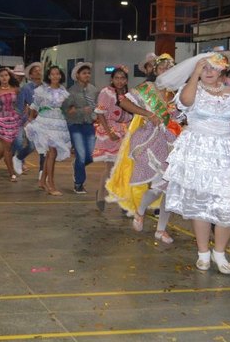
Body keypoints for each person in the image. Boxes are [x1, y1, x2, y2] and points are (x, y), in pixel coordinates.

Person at [161, 53, 230, 274]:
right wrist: (194, 75)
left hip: (224, 152)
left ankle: (219, 252)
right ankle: (203, 252)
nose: (209, 72)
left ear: (222, 70)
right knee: (200, 203)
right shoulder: (191, 89)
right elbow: (185, 102)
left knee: (228, 202)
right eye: (204, 67)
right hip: (197, 150)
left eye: (213, 68)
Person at [105, 53, 179, 243]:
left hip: (169, 141)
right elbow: (123, 101)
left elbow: (180, 116)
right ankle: (140, 211)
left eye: (170, 68)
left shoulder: (176, 92)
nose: (166, 71)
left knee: (167, 187)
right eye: (162, 67)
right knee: (157, 184)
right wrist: (146, 113)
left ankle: (160, 228)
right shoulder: (147, 88)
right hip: (148, 140)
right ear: (155, 70)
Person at [93, 66, 134, 211]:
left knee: (125, 168)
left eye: (122, 78)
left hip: (126, 132)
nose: (119, 81)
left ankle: (123, 200)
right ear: (112, 79)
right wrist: (110, 132)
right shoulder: (106, 93)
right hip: (111, 132)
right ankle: (101, 194)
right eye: (116, 78)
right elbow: (101, 113)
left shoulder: (129, 94)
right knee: (110, 168)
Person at [25, 66, 71, 195]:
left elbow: (64, 107)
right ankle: (51, 185)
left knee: (51, 154)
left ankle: (42, 181)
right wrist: (30, 118)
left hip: (58, 123)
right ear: (49, 76)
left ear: (61, 76)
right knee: (52, 152)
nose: (55, 76)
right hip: (44, 122)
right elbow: (35, 105)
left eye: (57, 74)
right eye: (52, 74)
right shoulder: (42, 90)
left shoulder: (63, 90)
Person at [62, 62, 99, 193]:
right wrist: (81, 110)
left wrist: (95, 114)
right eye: (84, 73)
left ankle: (77, 165)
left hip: (89, 125)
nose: (87, 75)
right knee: (82, 155)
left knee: (90, 156)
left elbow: (97, 107)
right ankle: (79, 183)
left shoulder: (94, 90)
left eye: (88, 73)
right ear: (77, 75)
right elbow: (66, 111)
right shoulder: (71, 92)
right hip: (75, 125)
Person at [0, 67, 21, 181]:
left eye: (6, 75)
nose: (4, 77)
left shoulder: (15, 89)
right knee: (7, 148)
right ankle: (11, 173)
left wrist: (24, 112)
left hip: (13, 119)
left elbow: (22, 103)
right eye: (1, 76)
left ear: (9, 76)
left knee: (10, 146)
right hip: (0, 120)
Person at [12, 62, 45, 177]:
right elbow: (21, 106)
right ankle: (18, 157)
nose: (38, 72)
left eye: (40, 70)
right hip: (30, 121)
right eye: (35, 71)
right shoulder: (26, 88)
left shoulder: (47, 87)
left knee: (44, 148)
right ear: (30, 75)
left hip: (45, 121)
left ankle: (42, 172)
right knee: (31, 146)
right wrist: (22, 120)